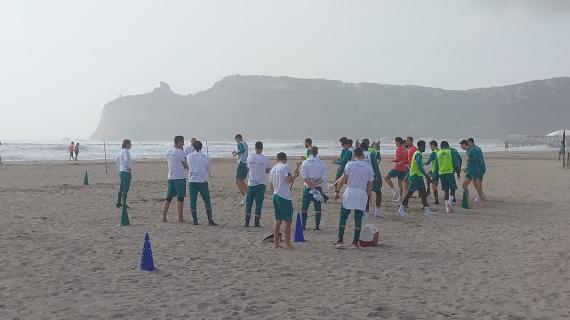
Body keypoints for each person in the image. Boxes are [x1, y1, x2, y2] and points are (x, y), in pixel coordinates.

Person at [333, 147, 374, 247]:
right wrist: (367, 196)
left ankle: (340, 239)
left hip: (350, 192)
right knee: (358, 218)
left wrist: (337, 191)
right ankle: (355, 241)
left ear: (354, 155)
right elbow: (370, 185)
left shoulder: (350, 164)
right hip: (361, 193)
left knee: (343, 216)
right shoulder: (368, 167)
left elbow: (343, 179)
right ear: (363, 155)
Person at [269, 152, 299, 250]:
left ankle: (276, 243)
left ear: (277, 159)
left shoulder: (273, 169)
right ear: (285, 159)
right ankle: (287, 243)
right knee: (288, 221)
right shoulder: (285, 166)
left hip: (275, 196)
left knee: (278, 220)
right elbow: (289, 180)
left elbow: (271, 186)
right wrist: (295, 175)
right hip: (284, 197)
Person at [397, 140, 433, 216]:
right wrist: (426, 176)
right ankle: (401, 208)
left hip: (418, 176)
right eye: (424, 146)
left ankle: (427, 210)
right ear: (421, 146)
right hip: (415, 176)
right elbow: (419, 167)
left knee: (423, 194)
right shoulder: (418, 154)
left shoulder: (417, 153)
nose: (425, 148)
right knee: (409, 193)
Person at [187, 140, 217, 226]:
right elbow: (207, 169)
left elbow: (189, 166)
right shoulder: (206, 157)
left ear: (193, 147)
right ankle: (210, 220)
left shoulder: (189, 156)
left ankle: (195, 220)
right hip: (201, 181)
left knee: (193, 201)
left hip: (192, 180)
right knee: (206, 200)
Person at [244, 141, 271, 227]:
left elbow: (247, 167)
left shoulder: (249, 157)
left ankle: (247, 222)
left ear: (255, 148)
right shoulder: (266, 159)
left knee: (249, 203)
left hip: (251, 183)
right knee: (259, 203)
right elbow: (267, 170)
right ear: (262, 148)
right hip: (261, 183)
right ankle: (256, 222)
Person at [300, 146, 328, 230]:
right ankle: (317, 226)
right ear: (317, 152)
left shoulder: (305, 162)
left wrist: (311, 186)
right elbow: (324, 178)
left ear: (309, 152)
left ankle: (303, 225)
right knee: (318, 208)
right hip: (317, 187)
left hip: (308, 187)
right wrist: (315, 185)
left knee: (304, 208)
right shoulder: (321, 163)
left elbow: (304, 177)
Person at [162, 136, 188, 223]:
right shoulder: (180, 152)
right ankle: (180, 218)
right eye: (183, 142)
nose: (183, 144)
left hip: (170, 176)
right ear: (179, 142)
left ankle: (164, 216)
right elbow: (185, 165)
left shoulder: (168, 151)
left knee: (169, 197)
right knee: (180, 198)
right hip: (179, 177)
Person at [360, 140, 383, 218]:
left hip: (363, 178)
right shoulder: (371, 154)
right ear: (368, 147)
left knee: (366, 194)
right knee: (378, 193)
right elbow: (375, 167)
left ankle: (366, 212)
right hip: (372, 177)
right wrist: (379, 178)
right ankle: (377, 211)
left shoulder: (359, 156)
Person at [435, 141, 457, 213]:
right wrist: (458, 172)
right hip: (449, 172)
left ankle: (447, 209)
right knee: (453, 189)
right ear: (447, 146)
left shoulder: (438, 153)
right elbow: (455, 163)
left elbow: (436, 166)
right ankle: (449, 203)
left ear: (441, 146)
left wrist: (436, 175)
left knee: (446, 190)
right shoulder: (450, 152)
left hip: (441, 173)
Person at [460, 139, 483, 206]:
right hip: (469, 171)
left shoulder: (473, 149)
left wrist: (469, 159)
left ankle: (481, 200)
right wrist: (466, 168)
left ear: (465, 144)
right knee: (464, 185)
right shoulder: (467, 151)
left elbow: (478, 159)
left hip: (475, 171)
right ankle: (467, 200)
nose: (461, 148)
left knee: (477, 186)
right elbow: (469, 162)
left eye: (462, 146)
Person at [384, 137, 407, 201]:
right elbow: (405, 159)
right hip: (404, 168)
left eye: (395, 142)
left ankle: (393, 190)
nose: (395, 144)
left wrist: (392, 160)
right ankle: (400, 197)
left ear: (398, 142)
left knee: (386, 178)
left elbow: (398, 159)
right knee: (400, 183)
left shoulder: (399, 149)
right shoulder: (405, 149)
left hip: (398, 168)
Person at [232, 134, 249, 205]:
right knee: (241, 181)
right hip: (245, 163)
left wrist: (236, 153)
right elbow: (243, 150)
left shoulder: (240, 143)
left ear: (238, 138)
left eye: (236, 140)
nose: (236, 141)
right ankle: (248, 195)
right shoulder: (245, 143)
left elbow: (242, 150)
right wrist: (236, 152)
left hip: (242, 163)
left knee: (238, 181)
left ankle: (245, 196)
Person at [115, 139, 132, 208]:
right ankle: (124, 204)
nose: (131, 145)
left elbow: (116, 161)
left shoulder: (120, 151)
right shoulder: (126, 151)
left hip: (121, 171)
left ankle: (119, 202)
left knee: (121, 187)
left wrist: (119, 169)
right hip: (126, 172)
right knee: (126, 188)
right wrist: (127, 167)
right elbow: (126, 160)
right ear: (127, 144)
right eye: (130, 143)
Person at [468, 138, 486, 202]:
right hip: (481, 167)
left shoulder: (473, 149)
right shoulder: (478, 148)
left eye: (468, 143)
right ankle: (481, 195)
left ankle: (480, 197)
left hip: (479, 168)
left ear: (470, 142)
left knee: (477, 184)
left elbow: (476, 158)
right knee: (478, 183)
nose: (468, 144)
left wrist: (469, 159)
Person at [424, 140, 440, 204]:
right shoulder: (439, 151)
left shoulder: (434, 153)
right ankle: (428, 188)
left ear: (433, 145)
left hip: (435, 171)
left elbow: (428, 162)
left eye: (430, 146)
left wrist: (421, 163)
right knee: (427, 175)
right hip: (440, 170)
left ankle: (436, 200)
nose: (430, 147)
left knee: (434, 186)